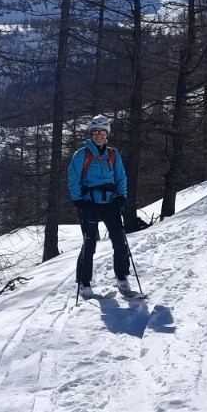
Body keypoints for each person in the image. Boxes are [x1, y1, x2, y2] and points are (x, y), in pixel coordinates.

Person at [67, 115, 132, 296]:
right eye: (95, 132)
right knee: (89, 244)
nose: (99, 135)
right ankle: (84, 282)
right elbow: (73, 179)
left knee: (119, 241)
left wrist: (122, 196)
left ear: (107, 134)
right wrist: (78, 200)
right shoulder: (81, 154)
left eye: (102, 132)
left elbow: (121, 176)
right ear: (91, 133)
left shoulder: (113, 154)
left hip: (110, 202)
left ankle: (122, 277)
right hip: (89, 204)